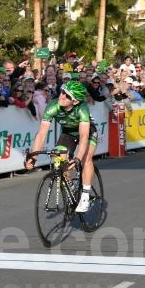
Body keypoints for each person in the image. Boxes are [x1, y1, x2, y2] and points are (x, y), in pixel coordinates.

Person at [25, 81, 98, 213]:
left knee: (85, 159)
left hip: (86, 133)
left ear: (75, 101)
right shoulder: (53, 106)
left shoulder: (82, 109)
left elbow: (83, 137)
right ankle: (69, 187)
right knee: (58, 157)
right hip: (68, 133)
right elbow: (41, 134)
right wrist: (33, 156)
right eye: (63, 91)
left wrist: (77, 158)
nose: (62, 96)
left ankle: (86, 195)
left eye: (68, 96)